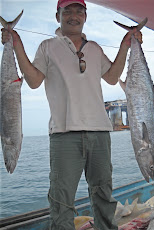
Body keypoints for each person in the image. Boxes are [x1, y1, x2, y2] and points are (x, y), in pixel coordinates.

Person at [1, 0, 142, 229]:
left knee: (103, 195)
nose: (73, 16)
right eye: (67, 11)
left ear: (85, 17)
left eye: (79, 11)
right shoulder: (47, 47)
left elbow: (113, 77)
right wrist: (16, 44)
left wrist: (126, 45)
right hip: (63, 134)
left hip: (100, 133)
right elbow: (35, 81)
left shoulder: (95, 48)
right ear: (58, 16)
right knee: (61, 199)